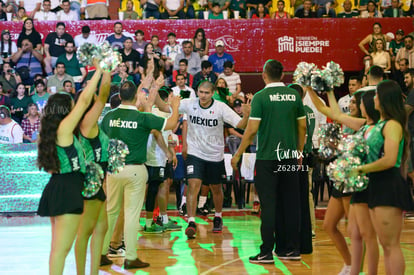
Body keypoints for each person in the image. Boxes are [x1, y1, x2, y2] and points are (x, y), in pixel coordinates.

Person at [231, 59, 306, 263]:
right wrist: (299, 152)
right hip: (289, 158)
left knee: (269, 205)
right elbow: (302, 128)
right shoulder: (294, 96)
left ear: (264, 75)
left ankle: (266, 251)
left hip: (267, 159)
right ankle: (291, 249)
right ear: (282, 76)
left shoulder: (261, 98)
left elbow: (252, 130)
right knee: (291, 203)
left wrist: (237, 154)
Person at [100, 81, 180, 269]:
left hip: (113, 168)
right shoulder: (143, 117)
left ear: (119, 96)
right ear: (136, 96)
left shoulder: (108, 117)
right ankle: (131, 257)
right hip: (135, 169)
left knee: (110, 212)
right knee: (131, 214)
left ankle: (102, 253)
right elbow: (172, 123)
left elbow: (101, 140)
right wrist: (175, 106)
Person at [36, 60, 102, 275]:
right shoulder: (64, 129)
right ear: (65, 110)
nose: (75, 107)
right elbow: (83, 102)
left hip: (59, 186)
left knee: (57, 249)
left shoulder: (50, 131)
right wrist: (98, 71)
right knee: (61, 249)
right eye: (70, 106)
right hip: (68, 187)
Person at [308, 86, 381, 275]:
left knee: (355, 230)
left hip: (355, 180)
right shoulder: (351, 124)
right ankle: (350, 264)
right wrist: (309, 88)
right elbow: (329, 111)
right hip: (342, 179)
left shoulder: (366, 125)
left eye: (356, 102)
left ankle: (357, 269)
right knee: (329, 225)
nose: (352, 104)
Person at [181, 80, 250, 239]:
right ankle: (191, 221)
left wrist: (247, 114)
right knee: (193, 184)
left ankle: (218, 216)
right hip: (195, 152)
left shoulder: (221, 107)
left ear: (212, 94)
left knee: (216, 188)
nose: (203, 95)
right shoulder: (190, 104)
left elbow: (241, 124)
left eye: (206, 93)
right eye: (200, 92)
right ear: (197, 91)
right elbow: (166, 107)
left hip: (214, 155)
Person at [75, 69, 111, 275]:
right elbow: (104, 94)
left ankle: (93, 270)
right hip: (89, 182)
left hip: (96, 181)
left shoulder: (90, 123)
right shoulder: (87, 123)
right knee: (86, 232)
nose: (97, 98)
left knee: (101, 228)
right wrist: (104, 72)